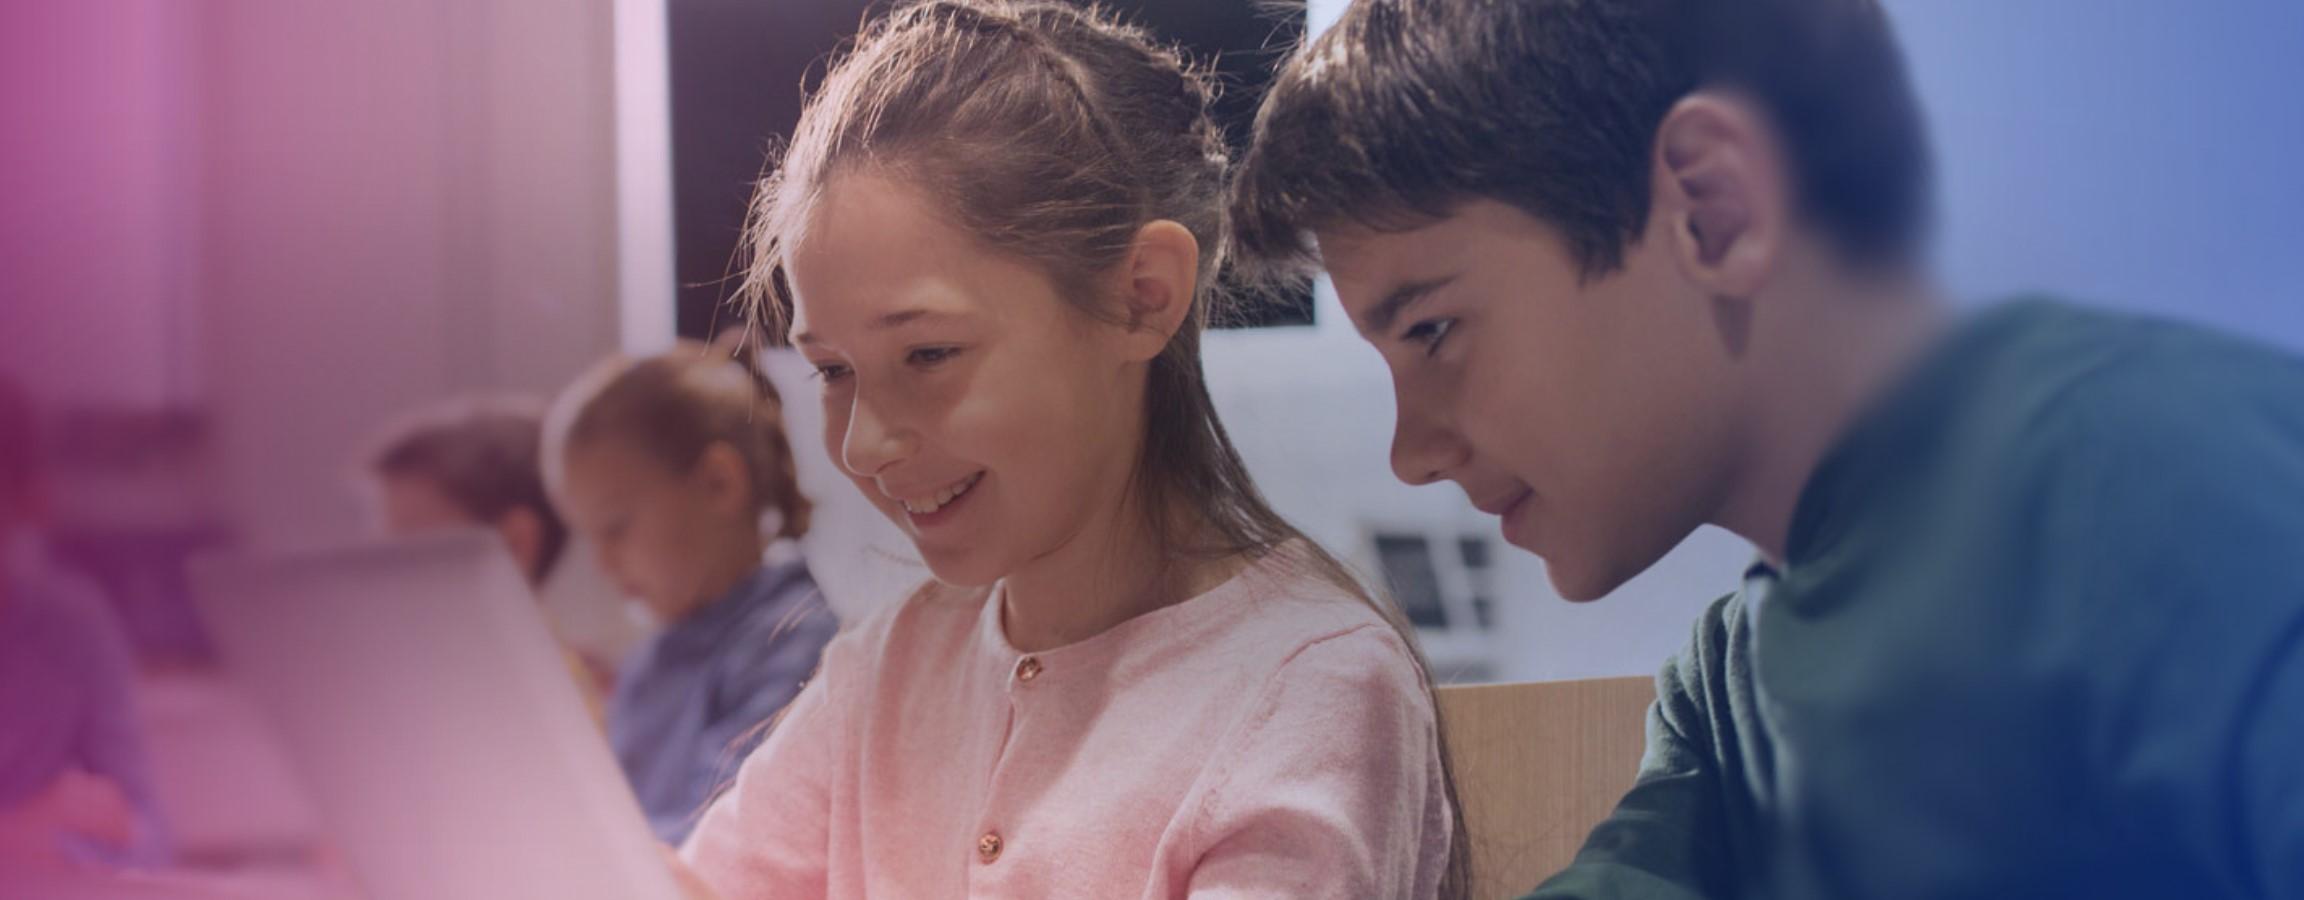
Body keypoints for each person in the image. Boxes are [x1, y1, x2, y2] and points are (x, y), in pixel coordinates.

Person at [1227, 1, 2304, 897]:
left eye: (1434, 332)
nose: (1411, 453)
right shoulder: (1729, 683)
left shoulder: (2166, 489)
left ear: (1713, 205)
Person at [671, 2, 1468, 897]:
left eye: (929, 354)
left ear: (1141, 296)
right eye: (832, 370)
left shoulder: (1311, 687)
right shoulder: (893, 665)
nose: (865, 444)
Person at [543, 341, 837, 845]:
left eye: (616, 528)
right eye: (589, 537)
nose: (602, 564)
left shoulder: (798, 646)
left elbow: (724, 842)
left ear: (719, 484)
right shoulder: (647, 665)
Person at [364, 398, 649, 714]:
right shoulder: (400, 689)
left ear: (515, 543)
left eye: (412, 553)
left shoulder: (587, 703)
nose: (384, 576)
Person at [0, 376, 169, 870]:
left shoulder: (74, 626)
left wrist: (63, 842)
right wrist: (17, 835)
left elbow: (147, 834)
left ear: (28, 499)